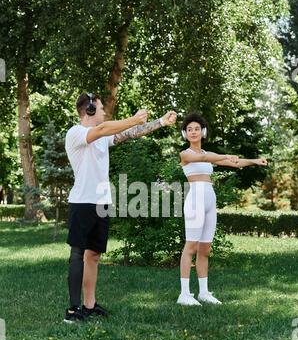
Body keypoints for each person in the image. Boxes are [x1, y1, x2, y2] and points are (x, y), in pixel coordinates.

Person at [65, 92, 177, 323]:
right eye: (101, 108)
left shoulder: (101, 137)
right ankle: (73, 310)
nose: (105, 112)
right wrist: (135, 118)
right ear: (90, 111)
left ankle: (89, 304)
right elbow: (104, 129)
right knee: (77, 253)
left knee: (93, 255)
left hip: (101, 202)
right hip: (82, 202)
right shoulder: (76, 133)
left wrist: (160, 122)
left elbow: (126, 134)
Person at [177, 113, 268, 306]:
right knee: (191, 246)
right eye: (189, 129)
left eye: (196, 129)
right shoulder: (186, 154)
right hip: (195, 200)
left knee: (205, 249)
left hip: (210, 200)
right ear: (185, 134)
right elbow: (207, 156)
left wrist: (254, 161)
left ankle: (203, 293)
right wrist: (225, 155)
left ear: (203, 132)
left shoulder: (209, 157)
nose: (193, 132)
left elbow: (233, 162)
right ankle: (184, 294)